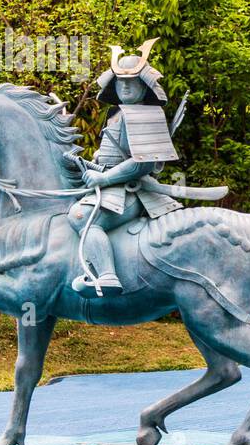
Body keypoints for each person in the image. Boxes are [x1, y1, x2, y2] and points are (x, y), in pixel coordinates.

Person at [68, 39, 183, 296]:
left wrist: (104, 178)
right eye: (121, 81)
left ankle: (107, 277)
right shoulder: (115, 114)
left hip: (132, 191)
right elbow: (111, 157)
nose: (126, 87)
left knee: (82, 217)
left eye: (132, 82)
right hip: (113, 185)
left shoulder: (148, 115)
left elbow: (143, 162)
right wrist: (90, 165)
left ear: (144, 85)